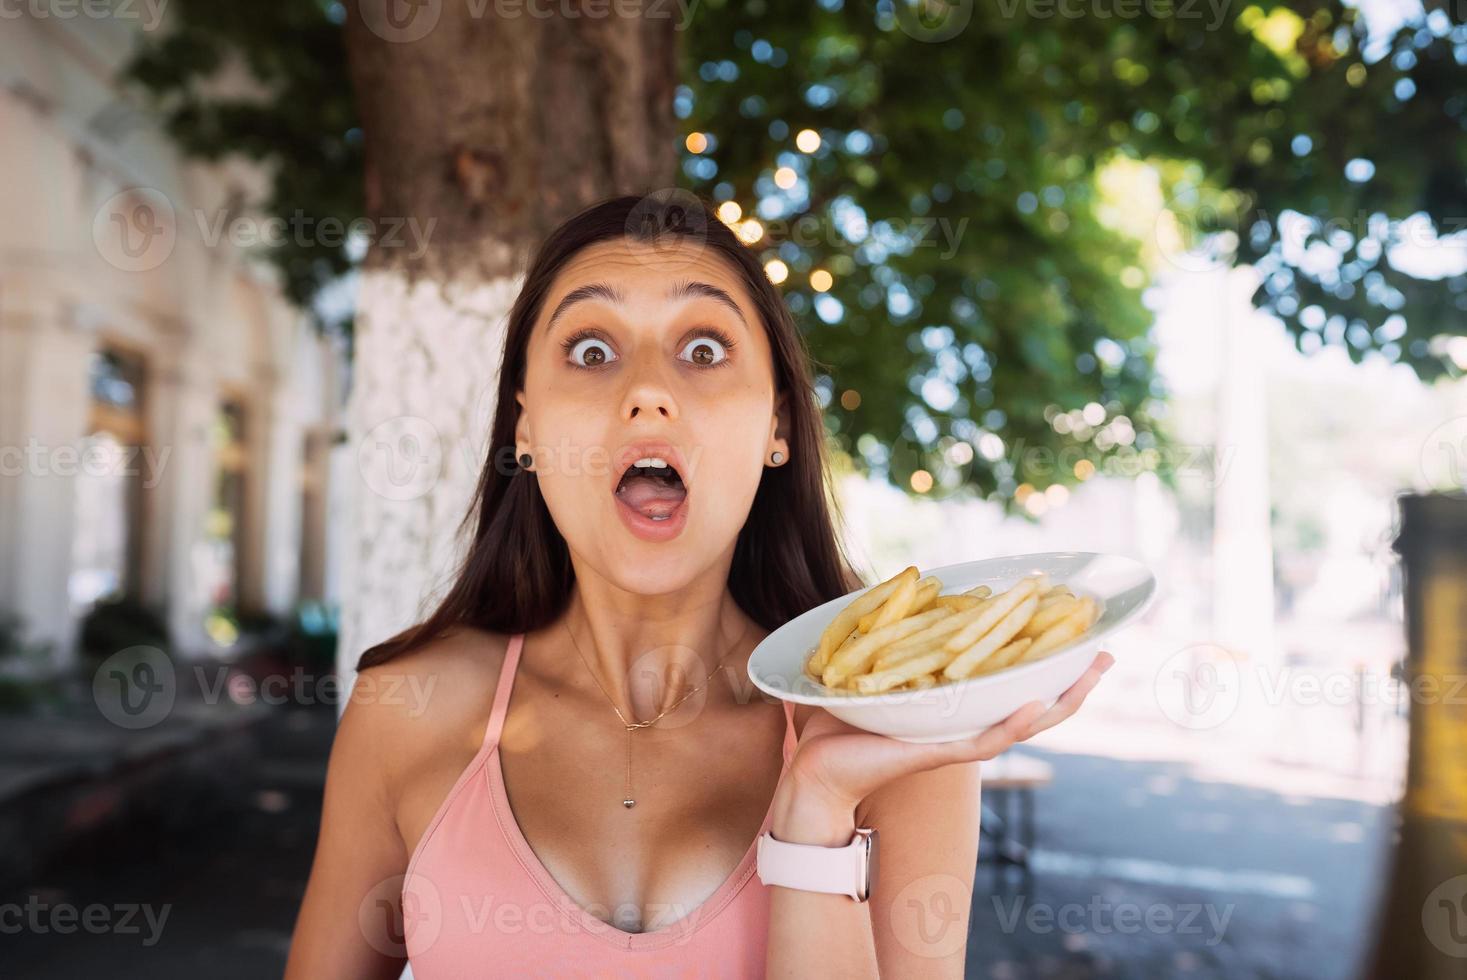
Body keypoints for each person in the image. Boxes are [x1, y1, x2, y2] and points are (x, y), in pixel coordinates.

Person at [283, 193, 1113, 978]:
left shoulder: (895, 739)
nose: (647, 391)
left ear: (776, 426)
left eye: (704, 350)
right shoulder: (404, 712)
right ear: (525, 426)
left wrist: (818, 810)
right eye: (592, 350)